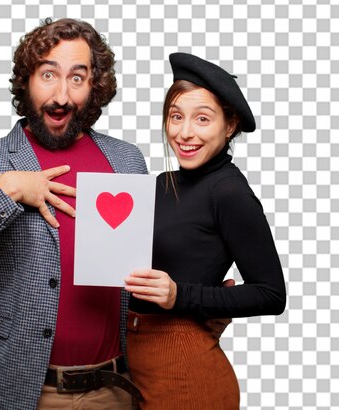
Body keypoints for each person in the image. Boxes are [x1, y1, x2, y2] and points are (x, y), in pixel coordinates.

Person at [0, 18, 146, 410]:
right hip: (23, 390)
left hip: (115, 387)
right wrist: (7, 191)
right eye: (48, 74)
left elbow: (141, 271)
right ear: (26, 81)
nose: (61, 95)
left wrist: (199, 301)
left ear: (95, 86)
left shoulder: (126, 161)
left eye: (78, 77)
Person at [124, 53, 287, 409]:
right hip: (129, 359)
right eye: (176, 117)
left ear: (230, 125)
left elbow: (271, 294)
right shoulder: (160, 184)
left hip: (185, 368)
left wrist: (180, 296)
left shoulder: (229, 192)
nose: (185, 133)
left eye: (202, 119)